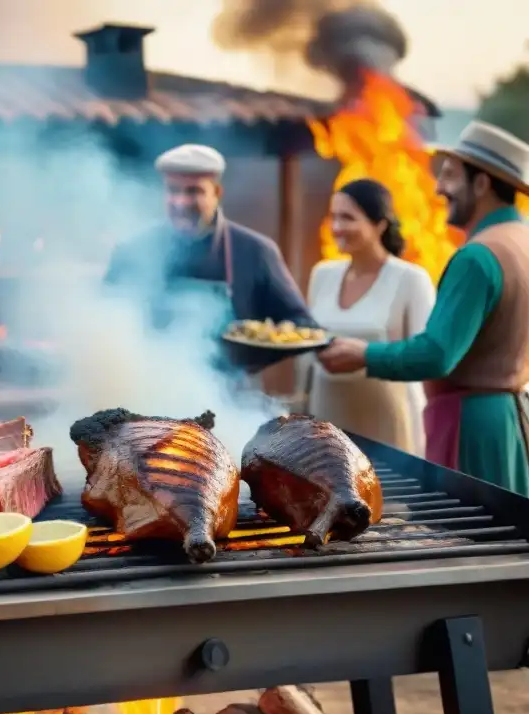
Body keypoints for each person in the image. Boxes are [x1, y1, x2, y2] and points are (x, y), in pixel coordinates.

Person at [319, 121, 529, 494]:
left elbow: (436, 354)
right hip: (511, 417)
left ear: (481, 183)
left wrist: (365, 354)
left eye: (449, 176)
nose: (438, 188)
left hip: (470, 426)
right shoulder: (522, 240)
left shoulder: (477, 257)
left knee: (466, 541)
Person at [104, 143, 315, 336]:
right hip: (149, 377)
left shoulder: (255, 251)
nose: (181, 202)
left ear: (217, 192)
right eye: (173, 190)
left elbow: (302, 324)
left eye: (194, 191)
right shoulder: (133, 251)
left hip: (230, 377)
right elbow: (102, 316)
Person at [306, 179, 436, 455]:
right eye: (334, 217)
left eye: (348, 218)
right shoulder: (322, 275)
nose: (337, 227)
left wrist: (366, 354)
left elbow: (424, 356)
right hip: (330, 420)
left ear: (380, 224)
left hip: (388, 423)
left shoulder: (411, 279)